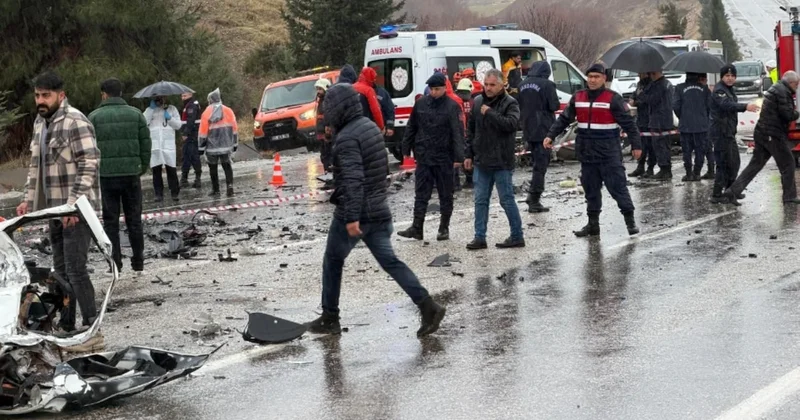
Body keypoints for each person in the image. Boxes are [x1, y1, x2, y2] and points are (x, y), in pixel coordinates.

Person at [304, 84, 446, 338]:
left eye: (329, 109)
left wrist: (351, 217)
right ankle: (428, 306)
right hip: (378, 209)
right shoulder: (370, 127)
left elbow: (353, 179)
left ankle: (330, 316)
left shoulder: (347, 138)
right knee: (391, 262)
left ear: (339, 109)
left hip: (356, 212)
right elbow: (380, 171)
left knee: (333, 260)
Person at [17, 72, 102, 348]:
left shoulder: (75, 121)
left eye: (46, 95)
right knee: (60, 272)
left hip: (77, 212)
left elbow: (90, 163)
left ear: (61, 95)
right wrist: (28, 200)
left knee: (76, 270)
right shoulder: (40, 124)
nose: (40, 100)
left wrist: (73, 204)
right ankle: (67, 328)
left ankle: (93, 331)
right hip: (53, 211)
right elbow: (35, 167)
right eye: (37, 95)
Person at [544, 63, 642, 237]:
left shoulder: (613, 98)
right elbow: (564, 119)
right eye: (590, 77)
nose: (593, 80)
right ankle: (593, 225)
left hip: (608, 153)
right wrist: (551, 135)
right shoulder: (578, 97)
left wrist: (636, 145)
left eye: (596, 77)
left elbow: (629, 125)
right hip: (587, 153)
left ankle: (630, 222)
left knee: (618, 188)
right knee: (590, 191)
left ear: (604, 78)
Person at [88, 78, 150, 275]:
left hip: (106, 176)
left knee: (110, 222)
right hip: (131, 175)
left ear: (103, 94)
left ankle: (115, 264)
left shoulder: (94, 117)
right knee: (134, 220)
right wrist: (141, 167)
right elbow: (146, 144)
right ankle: (138, 263)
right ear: (121, 93)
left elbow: (88, 149)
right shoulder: (136, 114)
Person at [397, 72, 464, 241]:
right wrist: (406, 148)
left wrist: (459, 157)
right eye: (432, 89)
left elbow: (457, 132)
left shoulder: (451, 106)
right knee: (421, 193)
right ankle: (417, 227)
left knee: (445, 194)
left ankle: (444, 227)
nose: (434, 92)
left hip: (444, 157)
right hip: (424, 156)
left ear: (444, 88)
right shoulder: (420, 104)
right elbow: (411, 126)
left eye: (437, 89)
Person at [464, 69, 524, 249]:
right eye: (486, 84)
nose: (488, 88)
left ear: (501, 85)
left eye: (492, 85)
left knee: (506, 200)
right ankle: (479, 237)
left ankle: (517, 236)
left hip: (501, 161)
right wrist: (468, 154)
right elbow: (471, 130)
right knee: (480, 200)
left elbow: (511, 125)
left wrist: (490, 113)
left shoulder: (510, 103)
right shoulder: (477, 101)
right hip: (482, 160)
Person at [723, 71, 800, 205]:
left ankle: (733, 191)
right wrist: (797, 113)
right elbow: (787, 114)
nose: (797, 87)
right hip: (772, 134)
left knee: (756, 164)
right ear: (791, 82)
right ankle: (789, 196)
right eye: (796, 84)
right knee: (788, 163)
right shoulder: (782, 92)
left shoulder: (777, 88)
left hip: (762, 132)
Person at [709, 64, 760, 204]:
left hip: (728, 131)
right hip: (721, 132)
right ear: (722, 77)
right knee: (724, 163)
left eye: (732, 76)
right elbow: (726, 105)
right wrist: (745, 107)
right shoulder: (720, 90)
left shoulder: (729, 89)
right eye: (727, 75)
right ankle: (717, 194)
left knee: (733, 163)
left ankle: (731, 191)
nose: (730, 78)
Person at [518, 61, 560, 212]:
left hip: (528, 129)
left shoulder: (522, 85)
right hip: (544, 130)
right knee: (541, 166)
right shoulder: (547, 85)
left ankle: (533, 196)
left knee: (536, 164)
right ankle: (534, 199)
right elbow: (554, 106)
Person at [199, 88, 238, 197]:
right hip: (226, 145)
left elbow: (202, 133)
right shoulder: (228, 111)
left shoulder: (206, 113)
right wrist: (235, 144)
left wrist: (201, 149)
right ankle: (230, 186)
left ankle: (216, 190)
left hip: (212, 147)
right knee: (227, 166)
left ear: (210, 100)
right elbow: (235, 129)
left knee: (213, 168)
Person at [673, 72, 712, 181]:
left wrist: (682, 116)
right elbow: (709, 106)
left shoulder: (679, 88)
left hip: (686, 125)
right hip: (701, 125)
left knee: (687, 151)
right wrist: (704, 117)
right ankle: (697, 173)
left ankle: (689, 173)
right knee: (700, 151)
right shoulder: (705, 89)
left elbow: (676, 106)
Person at [637, 70, 675, 180]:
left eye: (651, 74)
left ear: (655, 73)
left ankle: (665, 169)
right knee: (663, 145)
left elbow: (652, 100)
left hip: (659, 119)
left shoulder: (660, 85)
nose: (650, 76)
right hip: (664, 119)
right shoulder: (666, 83)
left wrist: (641, 94)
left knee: (660, 145)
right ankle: (665, 169)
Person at [145, 95, 182, 202]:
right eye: (157, 98)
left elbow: (178, 125)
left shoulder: (172, 109)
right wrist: (150, 110)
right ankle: (158, 194)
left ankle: (174, 193)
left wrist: (170, 118)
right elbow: (144, 122)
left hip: (168, 144)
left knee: (171, 169)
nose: (159, 100)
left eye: (161, 98)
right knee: (156, 171)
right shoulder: (149, 110)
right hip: (155, 145)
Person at [339, 65, 385, 131]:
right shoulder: (368, 90)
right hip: (366, 126)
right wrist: (381, 127)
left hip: (351, 126)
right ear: (371, 78)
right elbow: (376, 110)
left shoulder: (351, 87)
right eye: (374, 78)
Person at [628, 73, 655, 177]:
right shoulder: (640, 84)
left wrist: (637, 101)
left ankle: (650, 168)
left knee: (651, 145)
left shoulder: (652, 84)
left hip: (650, 118)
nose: (639, 74)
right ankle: (640, 166)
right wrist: (632, 99)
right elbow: (635, 95)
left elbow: (647, 100)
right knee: (641, 144)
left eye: (641, 73)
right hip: (641, 118)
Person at [455, 78, 475, 189]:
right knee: (469, 157)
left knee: (458, 158)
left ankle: (456, 183)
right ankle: (469, 180)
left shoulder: (454, 102)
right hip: (470, 134)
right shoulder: (474, 102)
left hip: (460, 134)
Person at [180, 92, 203, 189]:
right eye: (182, 96)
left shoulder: (191, 106)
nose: (182, 98)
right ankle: (192, 178)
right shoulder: (189, 105)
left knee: (189, 156)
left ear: (190, 95)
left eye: (185, 96)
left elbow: (191, 120)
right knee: (191, 156)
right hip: (192, 134)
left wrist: (185, 133)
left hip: (191, 135)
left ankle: (187, 179)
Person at [698, 74, 716, 180]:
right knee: (706, 148)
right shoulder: (703, 91)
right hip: (705, 123)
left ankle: (711, 170)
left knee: (707, 148)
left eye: (703, 79)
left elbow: (710, 108)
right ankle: (710, 170)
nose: (702, 81)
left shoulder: (706, 92)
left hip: (706, 124)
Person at [314, 78, 333, 175]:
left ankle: (330, 172)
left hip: (326, 131)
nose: (318, 91)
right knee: (324, 154)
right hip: (321, 131)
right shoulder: (320, 101)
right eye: (317, 89)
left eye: (320, 89)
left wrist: (327, 127)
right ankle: (327, 171)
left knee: (328, 153)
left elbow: (328, 115)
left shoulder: (327, 100)